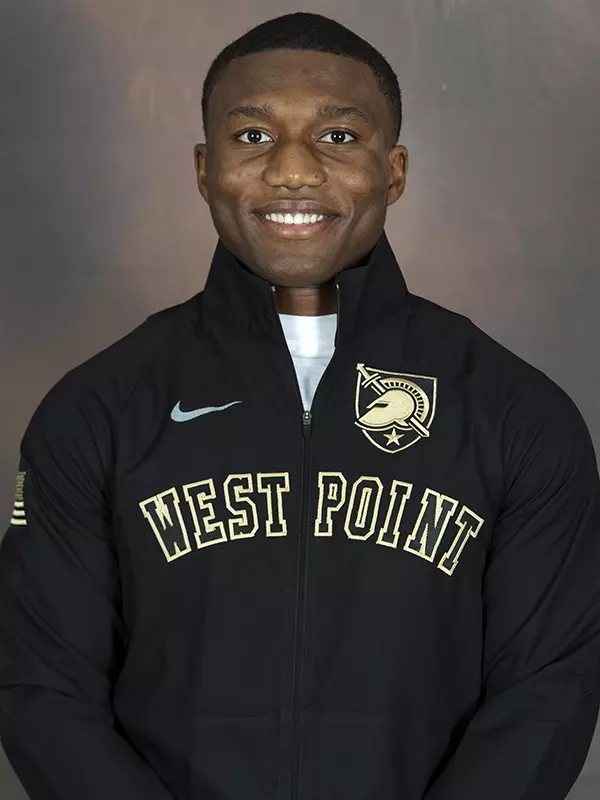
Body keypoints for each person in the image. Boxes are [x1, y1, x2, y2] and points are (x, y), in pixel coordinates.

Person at [1, 10, 599, 800]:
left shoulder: (518, 414)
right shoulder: (96, 410)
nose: (291, 171)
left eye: (339, 138)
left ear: (394, 172)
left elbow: (547, 692)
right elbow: (41, 688)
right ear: (204, 167)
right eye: (252, 137)